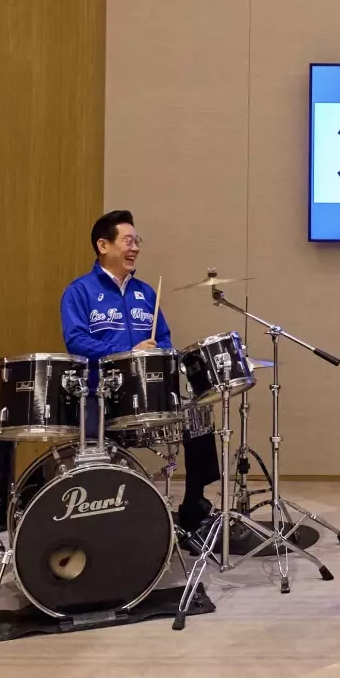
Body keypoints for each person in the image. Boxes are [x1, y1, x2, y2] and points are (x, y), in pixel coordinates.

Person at [60, 210, 219, 534]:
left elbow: (164, 338)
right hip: (100, 394)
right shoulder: (79, 291)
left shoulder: (146, 293)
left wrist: (160, 352)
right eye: (128, 241)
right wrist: (126, 351)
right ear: (103, 245)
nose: (135, 248)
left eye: (137, 241)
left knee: (198, 417)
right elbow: (76, 341)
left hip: (148, 393)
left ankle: (194, 509)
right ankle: (98, 518)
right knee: (90, 439)